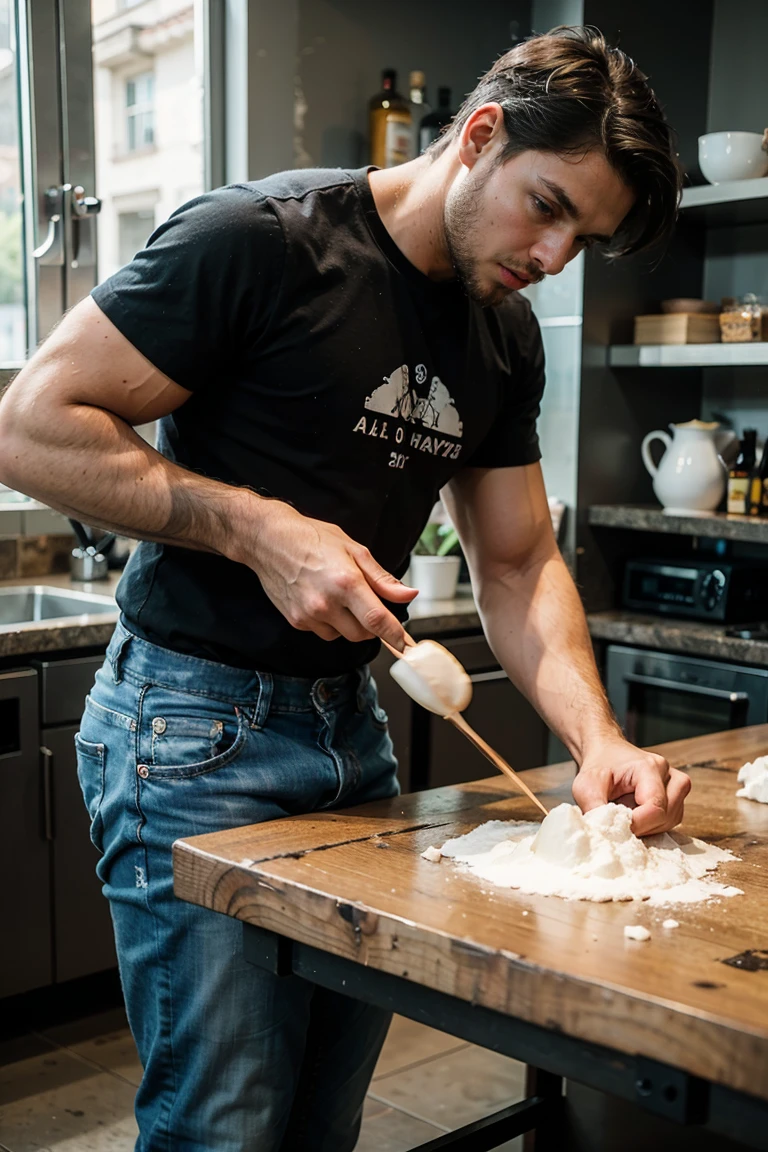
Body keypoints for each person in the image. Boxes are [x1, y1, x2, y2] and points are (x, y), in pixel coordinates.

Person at [0, 24, 691, 1152]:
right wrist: (261, 530)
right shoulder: (259, 241)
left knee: (323, 1123)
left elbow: (516, 562)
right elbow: (28, 429)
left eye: (587, 237)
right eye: (548, 206)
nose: (555, 255)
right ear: (480, 136)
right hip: (188, 734)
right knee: (224, 1128)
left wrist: (595, 741)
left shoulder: (505, 333)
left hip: (350, 738)